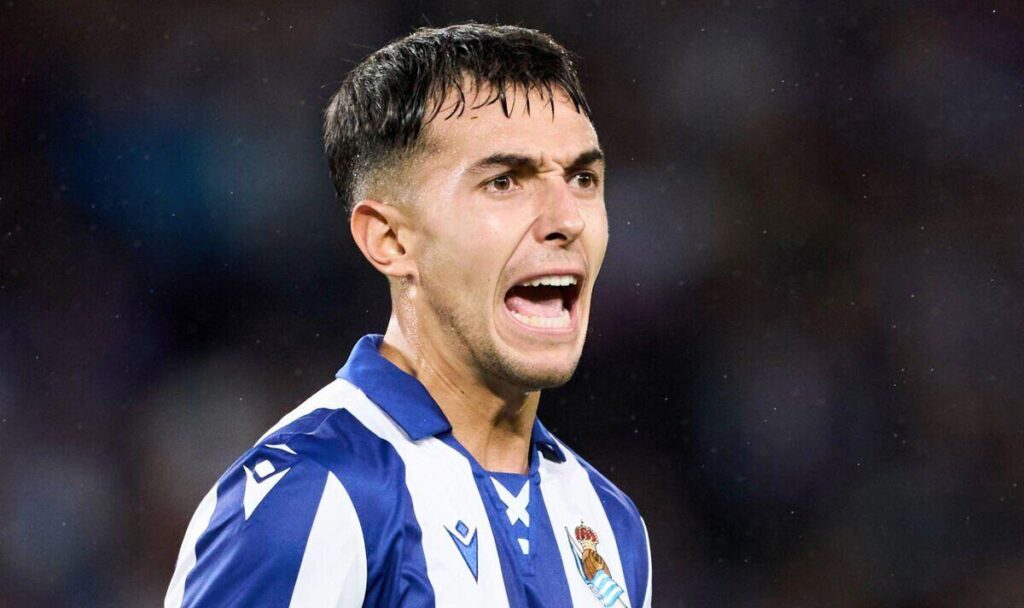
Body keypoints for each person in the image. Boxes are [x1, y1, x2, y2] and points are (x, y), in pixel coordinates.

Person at [165, 22, 652, 608]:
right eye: (504, 182)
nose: (567, 219)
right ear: (391, 240)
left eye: (582, 178)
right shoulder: (313, 496)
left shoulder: (609, 524)